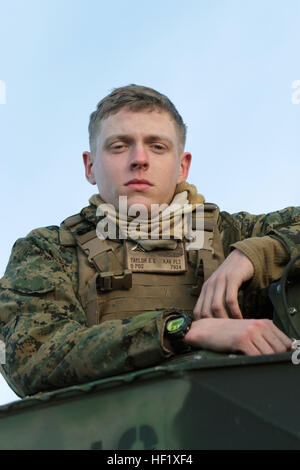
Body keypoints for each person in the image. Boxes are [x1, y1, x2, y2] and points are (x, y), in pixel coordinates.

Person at [0, 84, 299, 398]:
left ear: (182, 166)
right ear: (90, 166)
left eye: (157, 146)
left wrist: (256, 255)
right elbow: (32, 357)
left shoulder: (234, 234)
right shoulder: (50, 250)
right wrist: (182, 330)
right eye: (119, 146)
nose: (139, 159)